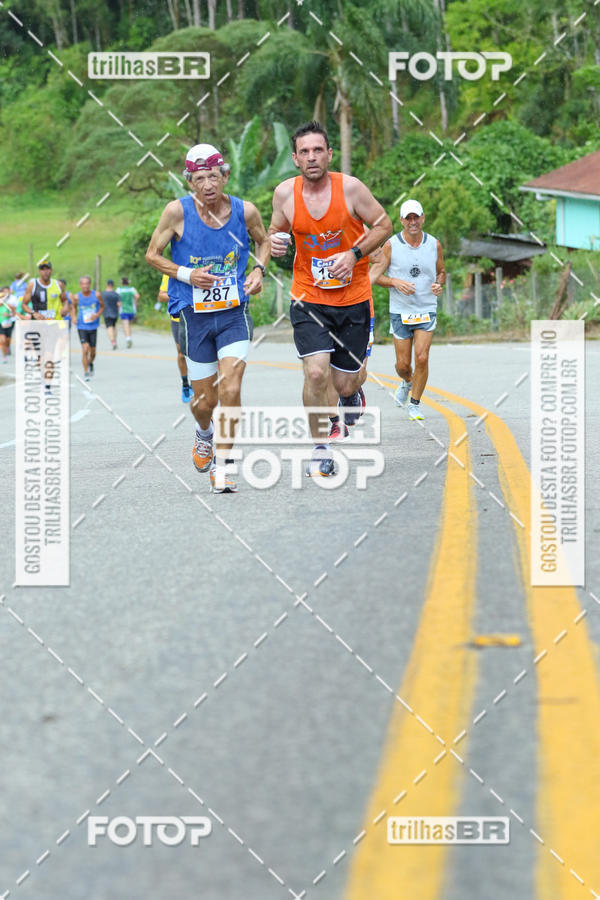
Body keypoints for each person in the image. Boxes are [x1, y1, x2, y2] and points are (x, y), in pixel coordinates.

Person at [145, 142, 270, 493]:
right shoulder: (176, 212)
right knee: (204, 404)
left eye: (213, 176)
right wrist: (187, 275)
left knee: (231, 387)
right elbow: (153, 254)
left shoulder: (245, 212)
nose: (208, 185)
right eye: (199, 179)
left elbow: (264, 242)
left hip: (233, 313)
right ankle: (204, 433)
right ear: (190, 182)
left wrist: (258, 270)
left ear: (225, 176)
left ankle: (224, 465)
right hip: (193, 315)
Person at [269, 121, 392, 476]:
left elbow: (384, 226)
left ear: (329, 154)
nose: (312, 157)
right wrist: (275, 244)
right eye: (304, 152)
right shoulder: (284, 194)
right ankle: (320, 449)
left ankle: (352, 394)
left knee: (344, 382)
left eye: (318, 150)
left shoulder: (351, 189)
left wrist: (353, 255)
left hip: (353, 299)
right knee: (316, 373)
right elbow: (276, 232)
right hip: (308, 297)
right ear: (295, 158)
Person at [369, 199, 445, 420]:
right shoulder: (391, 245)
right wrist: (395, 282)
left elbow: (441, 271)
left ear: (423, 218)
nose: (413, 222)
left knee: (422, 357)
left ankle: (415, 404)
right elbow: (375, 276)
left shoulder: (434, 244)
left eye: (416, 217)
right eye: (408, 218)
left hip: (426, 308)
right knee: (403, 365)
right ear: (401, 220)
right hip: (400, 311)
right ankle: (407, 380)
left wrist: (438, 283)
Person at [157, 273, 192, 403]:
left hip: (197, 316)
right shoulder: (171, 271)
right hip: (178, 318)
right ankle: (185, 385)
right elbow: (161, 296)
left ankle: (198, 384)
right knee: (182, 354)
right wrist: (181, 295)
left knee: (198, 352)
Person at [71, 275, 104, 382]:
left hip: (93, 326)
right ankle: (86, 373)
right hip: (82, 326)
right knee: (85, 349)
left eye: (87, 283)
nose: (85, 286)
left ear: (90, 284)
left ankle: (90, 363)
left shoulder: (96, 295)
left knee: (93, 352)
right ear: (80, 285)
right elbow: (73, 307)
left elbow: (103, 306)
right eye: (83, 284)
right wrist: (74, 317)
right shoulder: (77, 297)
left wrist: (97, 315)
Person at [116, 277, 139, 348]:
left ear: (121, 283)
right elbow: (137, 296)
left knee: (125, 325)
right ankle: (129, 337)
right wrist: (136, 303)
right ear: (128, 282)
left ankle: (128, 338)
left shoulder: (119, 290)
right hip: (132, 309)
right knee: (129, 324)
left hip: (123, 309)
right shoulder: (132, 289)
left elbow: (116, 298)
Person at [102, 278, 120, 349]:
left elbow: (99, 304)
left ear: (106, 284)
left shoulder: (102, 294)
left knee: (109, 327)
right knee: (114, 326)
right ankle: (115, 340)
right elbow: (119, 304)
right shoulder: (116, 294)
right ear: (113, 285)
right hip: (115, 312)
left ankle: (113, 341)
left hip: (106, 312)